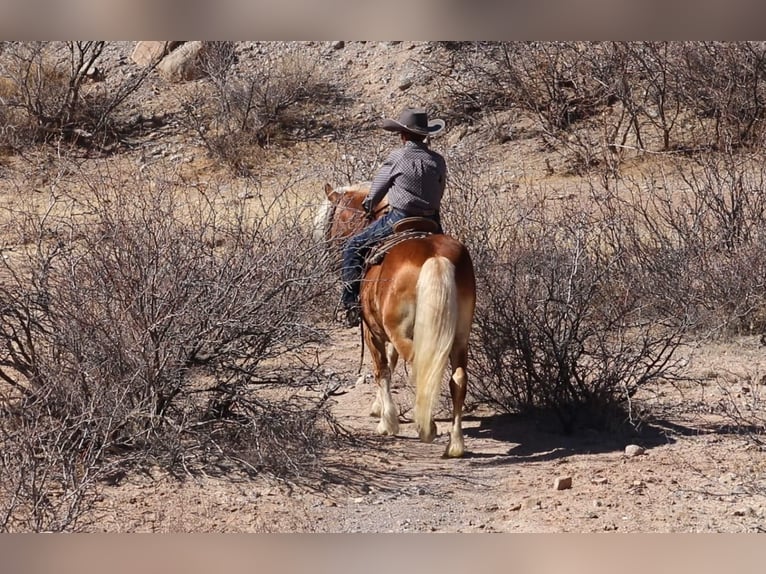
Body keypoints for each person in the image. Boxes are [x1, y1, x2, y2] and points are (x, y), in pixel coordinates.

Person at [340, 107, 447, 328]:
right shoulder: (437, 159)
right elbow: (441, 190)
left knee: (353, 246)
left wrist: (370, 204)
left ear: (403, 135)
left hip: (399, 218)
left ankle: (350, 305)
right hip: (432, 222)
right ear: (425, 134)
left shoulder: (397, 157)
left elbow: (377, 191)